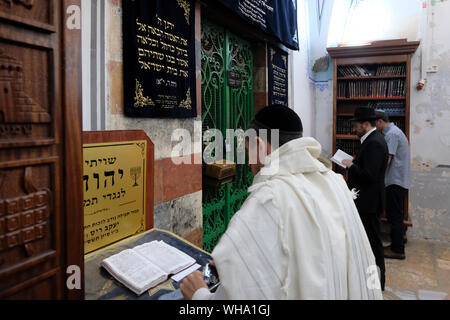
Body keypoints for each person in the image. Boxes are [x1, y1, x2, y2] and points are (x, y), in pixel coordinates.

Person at [180, 104, 382, 300]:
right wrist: (237, 263)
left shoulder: (270, 197)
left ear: (259, 145)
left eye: (249, 150)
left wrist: (198, 293)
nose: (250, 163)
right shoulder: (334, 182)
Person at [341, 107, 388, 291]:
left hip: (369, 203)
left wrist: (351, 165)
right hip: (366, 200)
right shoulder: (370, 140)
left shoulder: (375, 142)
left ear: (366, 124)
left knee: (373, 245)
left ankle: (376, 284)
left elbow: (369, 175)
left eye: (356, 125)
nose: (354, 129)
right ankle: (369, 283)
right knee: (367, 242)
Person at [375, 110, 410, 260]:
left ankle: (397, 250)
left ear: (379, 122)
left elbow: (387, 159)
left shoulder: (391, 134)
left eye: (373, 123)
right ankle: (397, 244)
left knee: (394, 216)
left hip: (395, 181)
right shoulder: (394, 132)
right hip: (398, 181)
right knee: (395, 215)